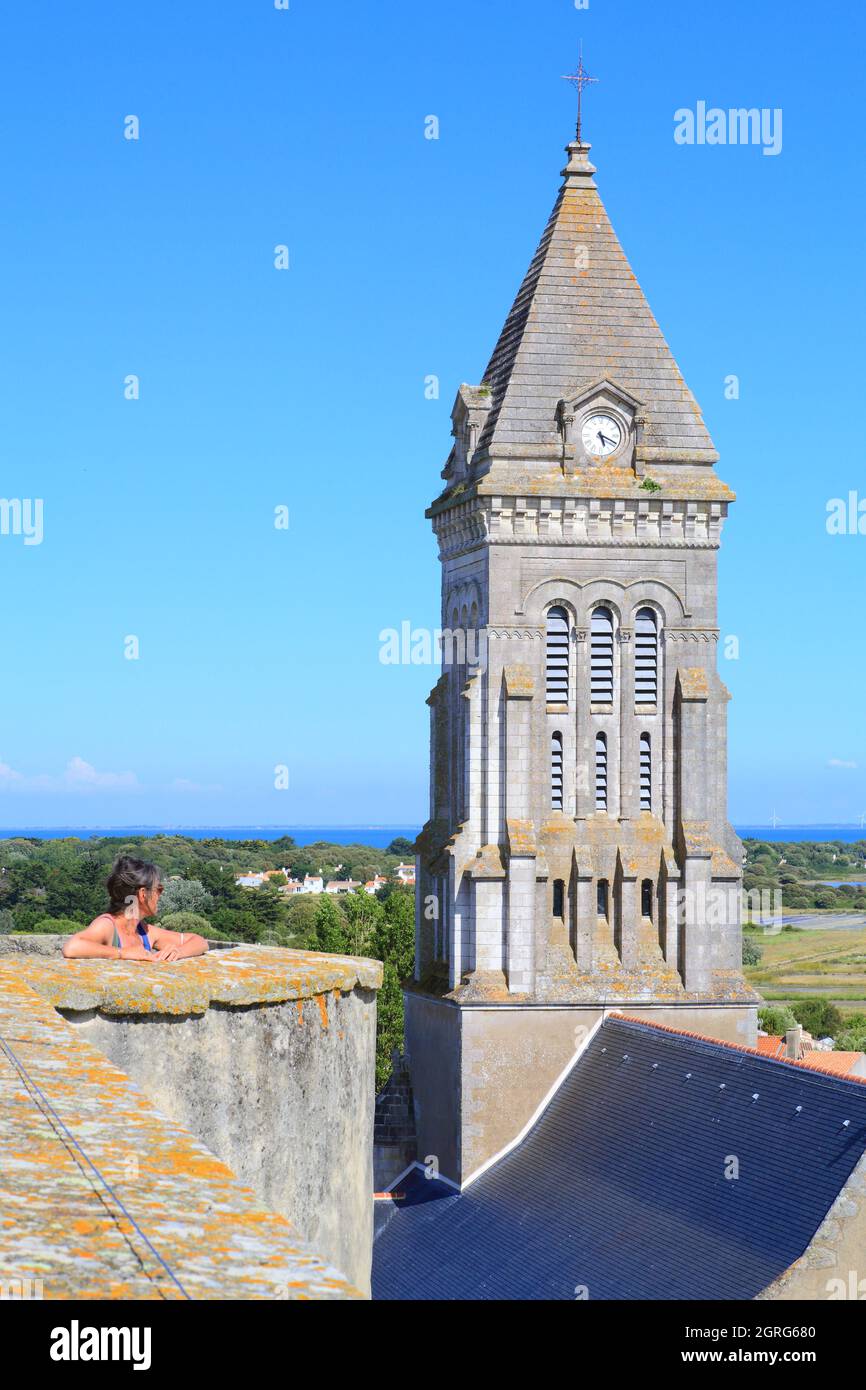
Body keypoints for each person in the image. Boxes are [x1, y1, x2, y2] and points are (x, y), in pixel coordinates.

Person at [61, 855, 209, 962]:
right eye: (159, 889)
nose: (161, 894)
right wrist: (123, 953)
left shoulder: (145, 932)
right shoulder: (107, 925)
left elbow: (200, 941)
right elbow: (72, 947)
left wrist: (178, 952)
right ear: (143, 894)